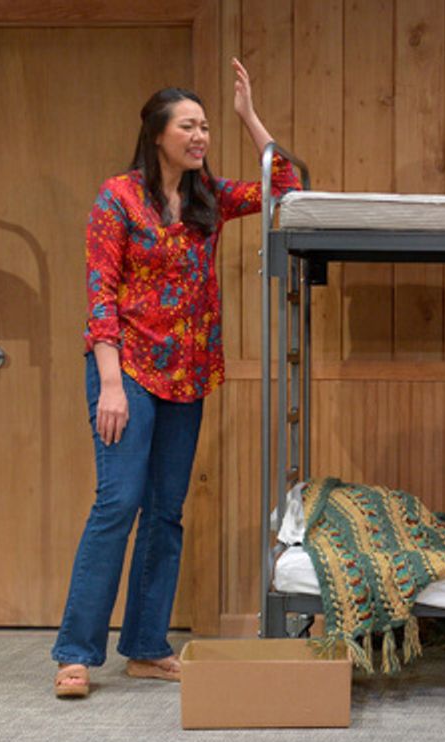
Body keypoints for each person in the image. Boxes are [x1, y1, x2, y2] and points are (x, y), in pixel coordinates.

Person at [52, 59, 300, 698]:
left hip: (187, 375)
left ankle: (145, 646)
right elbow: (100, 294)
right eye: (188, 126)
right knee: (119, 503)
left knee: (165, 512)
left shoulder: (206, 199)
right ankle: (76, 654)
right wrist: (110, 384)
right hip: (127, 370)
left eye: (206, 127)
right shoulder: (118, 197)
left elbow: (287, 184)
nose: (200, 136)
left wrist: (248, 116)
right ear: (157, 133)